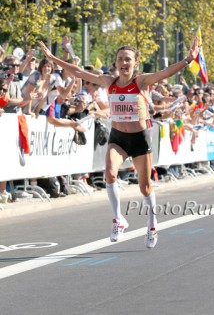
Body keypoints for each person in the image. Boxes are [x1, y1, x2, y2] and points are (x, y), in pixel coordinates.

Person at [39, 38, 199, 249]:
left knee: (145, 187)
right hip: (118, 138)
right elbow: (78, 72)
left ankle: (152, 224)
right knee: (110, 173)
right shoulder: (109, 82)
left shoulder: (141, 82)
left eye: (128, 60)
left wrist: (188, 59)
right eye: (120, 59)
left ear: (135, 63)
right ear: (115, 62)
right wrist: (54, 59)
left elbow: (166, 73)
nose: (123, 63)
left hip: (139, 139)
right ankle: (118, 220)